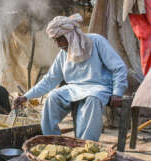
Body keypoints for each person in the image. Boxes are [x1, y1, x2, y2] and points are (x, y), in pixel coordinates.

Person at [14, 13, 128, 141]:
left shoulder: (96, 41)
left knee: (92, 99)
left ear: (69, 35)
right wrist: (26, 96)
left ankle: (85, 146)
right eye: (55, 40)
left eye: (59, 39)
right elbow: (49, 80)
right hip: (73, 88)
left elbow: (119, 68)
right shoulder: (63, 54)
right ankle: (52, 141)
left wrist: (118, 92)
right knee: (52, 98)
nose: (58, 44)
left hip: (99, 87)